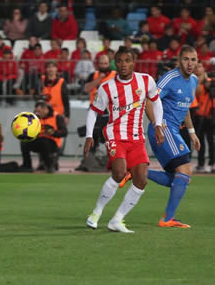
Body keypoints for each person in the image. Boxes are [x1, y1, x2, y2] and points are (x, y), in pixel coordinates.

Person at [84, 47, 164, 233]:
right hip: (115, 136)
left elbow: (156, 101)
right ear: (115, 63)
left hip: (136, 138)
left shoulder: (145, 80)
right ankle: (96, 213)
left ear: (133, 62)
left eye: (127, 60)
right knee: (119, 173)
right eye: (119, 61)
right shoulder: (106, 87)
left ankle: (117, 220)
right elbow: (93, 111)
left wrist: (158, 124)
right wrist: (89, 135)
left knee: (141, 179)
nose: (123, 64)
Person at [135, 46, 200, 228]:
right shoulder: (170, 78)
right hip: (164, 129)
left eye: (193, 60)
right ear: (179, 60)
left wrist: (192, 132)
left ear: (197, 62)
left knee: (181, 177)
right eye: (186, 59)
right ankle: (167, 219)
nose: (189, 63)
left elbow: (185, 107)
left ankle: (136, 172)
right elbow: (149, 100)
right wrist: (157, 126)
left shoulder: (193, 81)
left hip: (175, 131)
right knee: (185, 171)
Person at [20, 101, 67, 173]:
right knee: (24, 141)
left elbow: (64, 132)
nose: (37, 113)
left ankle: (49, 165)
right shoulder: (35, 118)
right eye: (36, 111)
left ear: (45, 109)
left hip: (53, 143)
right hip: (39, 140)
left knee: (44, 141)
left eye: (39, 111)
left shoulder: (57, 117)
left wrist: (53, 132)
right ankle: (27, 165)